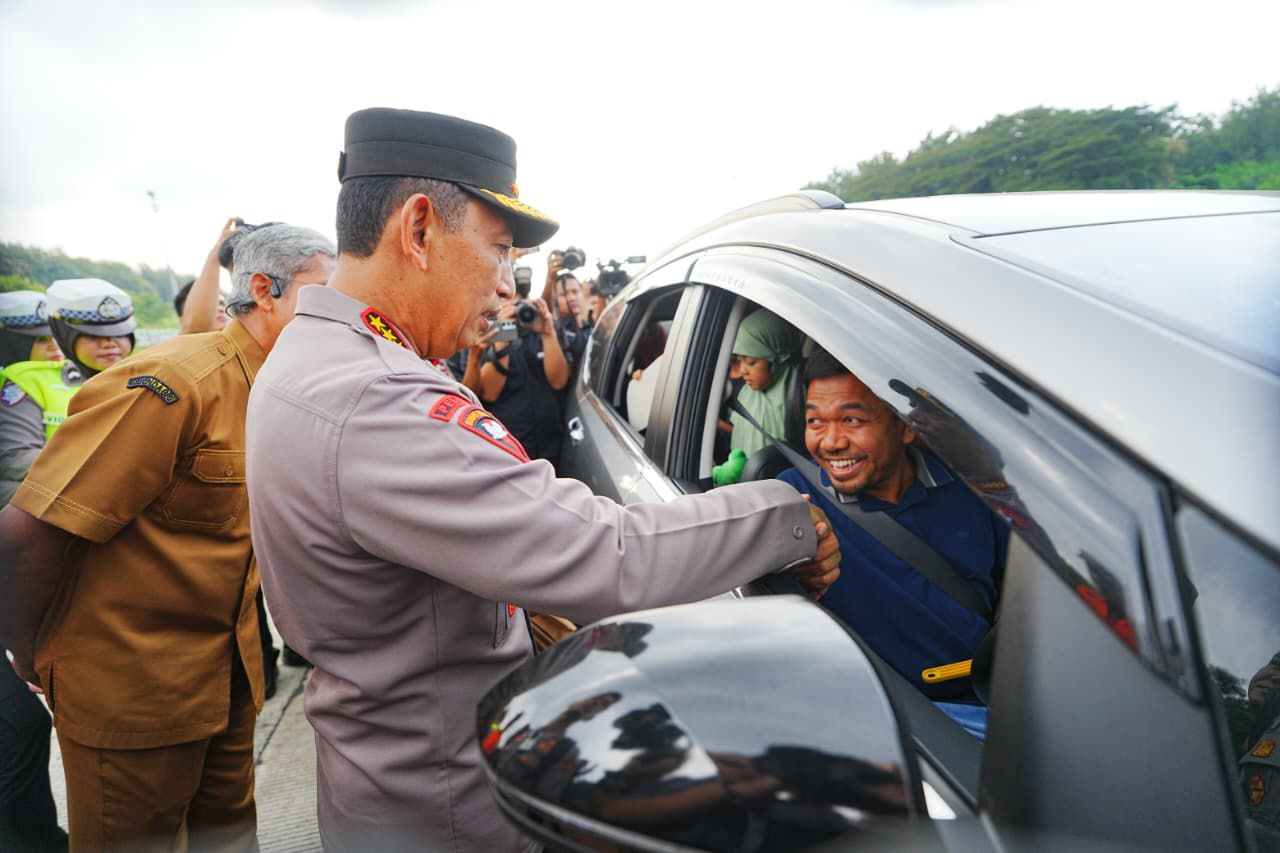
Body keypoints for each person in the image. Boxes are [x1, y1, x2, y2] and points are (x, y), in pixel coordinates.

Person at [244, 107, 840, 852]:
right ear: (419, 228)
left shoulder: (319, 358)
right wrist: (790, 512)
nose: (504, 288)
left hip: (392, 776)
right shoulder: (374, 399)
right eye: (498, 252)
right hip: (449, 807)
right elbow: (604, 552)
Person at [0, 224, 335, 850]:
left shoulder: (275, 386)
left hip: (227, 684)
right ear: (264, 290)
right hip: (135, 696)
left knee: (228, 841)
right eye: (325, 297)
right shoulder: (175, 382)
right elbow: (28, 535)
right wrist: (30, 647)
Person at [776, 348, 1006, 739]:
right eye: (815, 421)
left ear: (905, 426)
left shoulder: (973, 489)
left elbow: (1014, 585)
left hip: (1001, 696)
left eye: (851, 420)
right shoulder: (791, 502)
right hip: (894, 722)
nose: (830, 442)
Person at [1, 281, 136, 506]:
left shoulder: (153, 378)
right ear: (66, 335)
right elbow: (14, 457)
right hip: (73, 499)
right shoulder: (29, 380)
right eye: (93, 335)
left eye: (119, 333)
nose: (109, 344)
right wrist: (104, 474)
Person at [466, 292, 569, 466]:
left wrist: (548, 334)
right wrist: (502, 335)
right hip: (509, 451)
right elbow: (490, 394)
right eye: (506, 300)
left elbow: (559, 382)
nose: (515, 306)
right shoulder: (487, 335)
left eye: (519, 300)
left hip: (551, 447)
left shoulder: (539, 329)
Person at [713, 308, 804, 485]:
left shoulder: (799, 398)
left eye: (752, 362)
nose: (743, 370)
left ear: (777, 357)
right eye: (740, 360)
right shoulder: (745, 395)